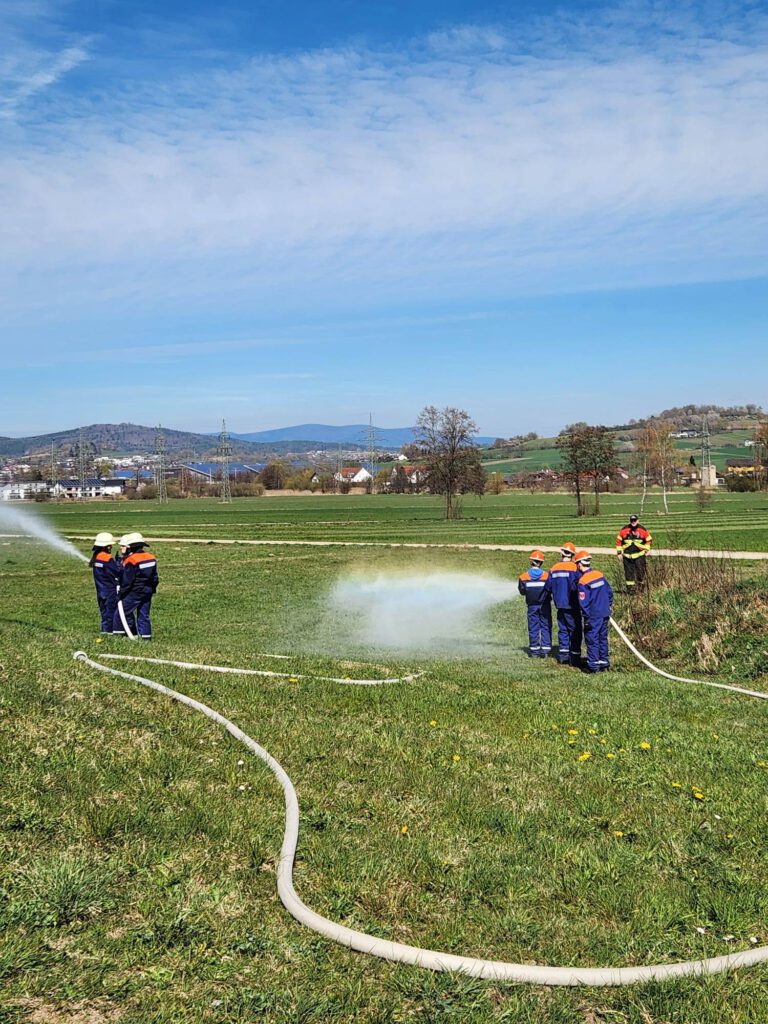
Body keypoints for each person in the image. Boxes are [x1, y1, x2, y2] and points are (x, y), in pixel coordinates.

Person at [112, 532, 159, 639]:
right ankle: (146, 638)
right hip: (148, 590)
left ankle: (118, 637)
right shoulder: (151, 557)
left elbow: (128, 580)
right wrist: (152, 589)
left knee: (121, 612)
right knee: (144, 615)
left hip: (135, 591)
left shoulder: (131, 560)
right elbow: (155, 577)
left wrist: (121, 593)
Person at [576, 551, 614, 673]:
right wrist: (608, 605)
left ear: (579, 564)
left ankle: (593, 666)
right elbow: (609, 592)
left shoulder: (583, 581)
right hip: (604, 612)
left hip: (593, 615)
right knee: (603, 638)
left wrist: (586, 617)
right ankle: (604, 663)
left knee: (592, 639)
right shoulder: (599, 574)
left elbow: (584, 602)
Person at [548, 541, 582, 666]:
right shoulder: (575, 568)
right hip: (572, 604)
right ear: (573, 555)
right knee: (575, 630)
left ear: (562, 553)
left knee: (562, 629)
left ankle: (563, 656)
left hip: (559, 604)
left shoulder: (554, 568)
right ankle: (575, 658)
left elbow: (549, 586)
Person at [518, 550, 552, 658]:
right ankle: (546, 650)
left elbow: (522, 591)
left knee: (533, 627)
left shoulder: (523, 577)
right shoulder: (547, 576)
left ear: (531, 562)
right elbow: (550, 589)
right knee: (546, 626)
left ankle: (534, 651)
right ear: (541, 563)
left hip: (532, 606)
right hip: (545, 606)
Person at [89, 532, 119, 634]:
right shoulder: (106, 558)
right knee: (111, 612)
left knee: (104, 613)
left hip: (100, 590)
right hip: (110, 589)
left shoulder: (96, 557)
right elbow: (117, 571)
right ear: (107, 546)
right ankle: (110, 632)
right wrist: (118, 563)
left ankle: (104, 631)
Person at [615, 513, 652, 593]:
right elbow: (618, 541)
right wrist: (618, 553)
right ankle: (630, 592)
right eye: (632, 520)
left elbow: (649, 540)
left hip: (640, 556)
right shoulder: (624, 529)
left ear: (638, 521)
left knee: (640, 574)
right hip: (627, 557)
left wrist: (647, 549)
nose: (633, 522)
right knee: (629, 575)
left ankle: (640, 591)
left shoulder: (643, 530)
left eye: (635, 520)